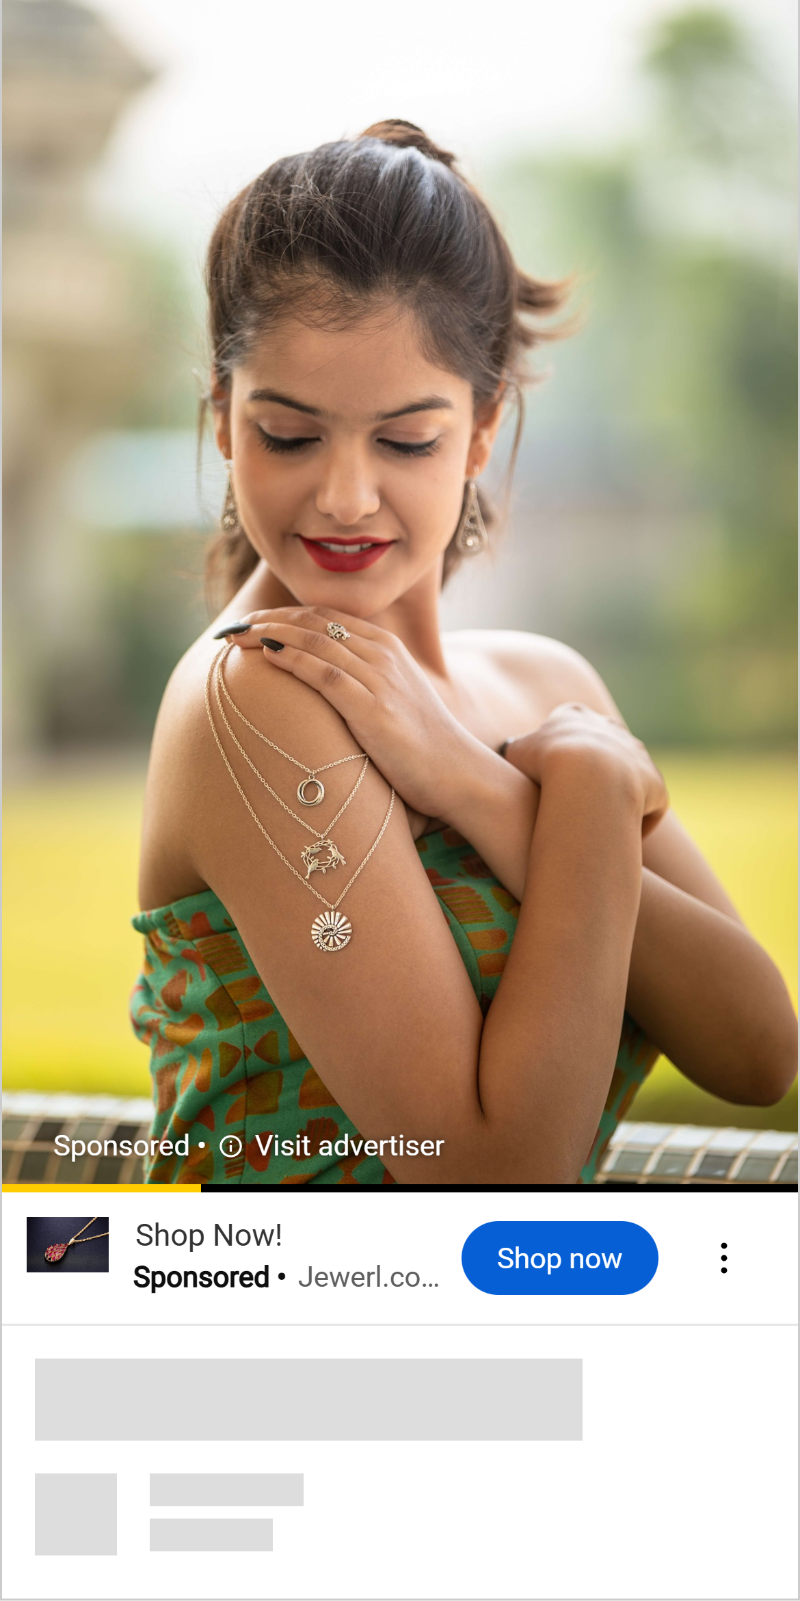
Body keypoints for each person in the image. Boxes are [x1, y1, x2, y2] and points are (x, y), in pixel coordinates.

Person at [129, 119, 797, 1187]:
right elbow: (489, 1179)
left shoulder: (546, 685)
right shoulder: (251, 695)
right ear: (221, 417)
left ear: (482, 429)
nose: (344, 495)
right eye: (289, 434)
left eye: (405, 439)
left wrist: (477, 786)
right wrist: (582, 792)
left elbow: (758, 1049)